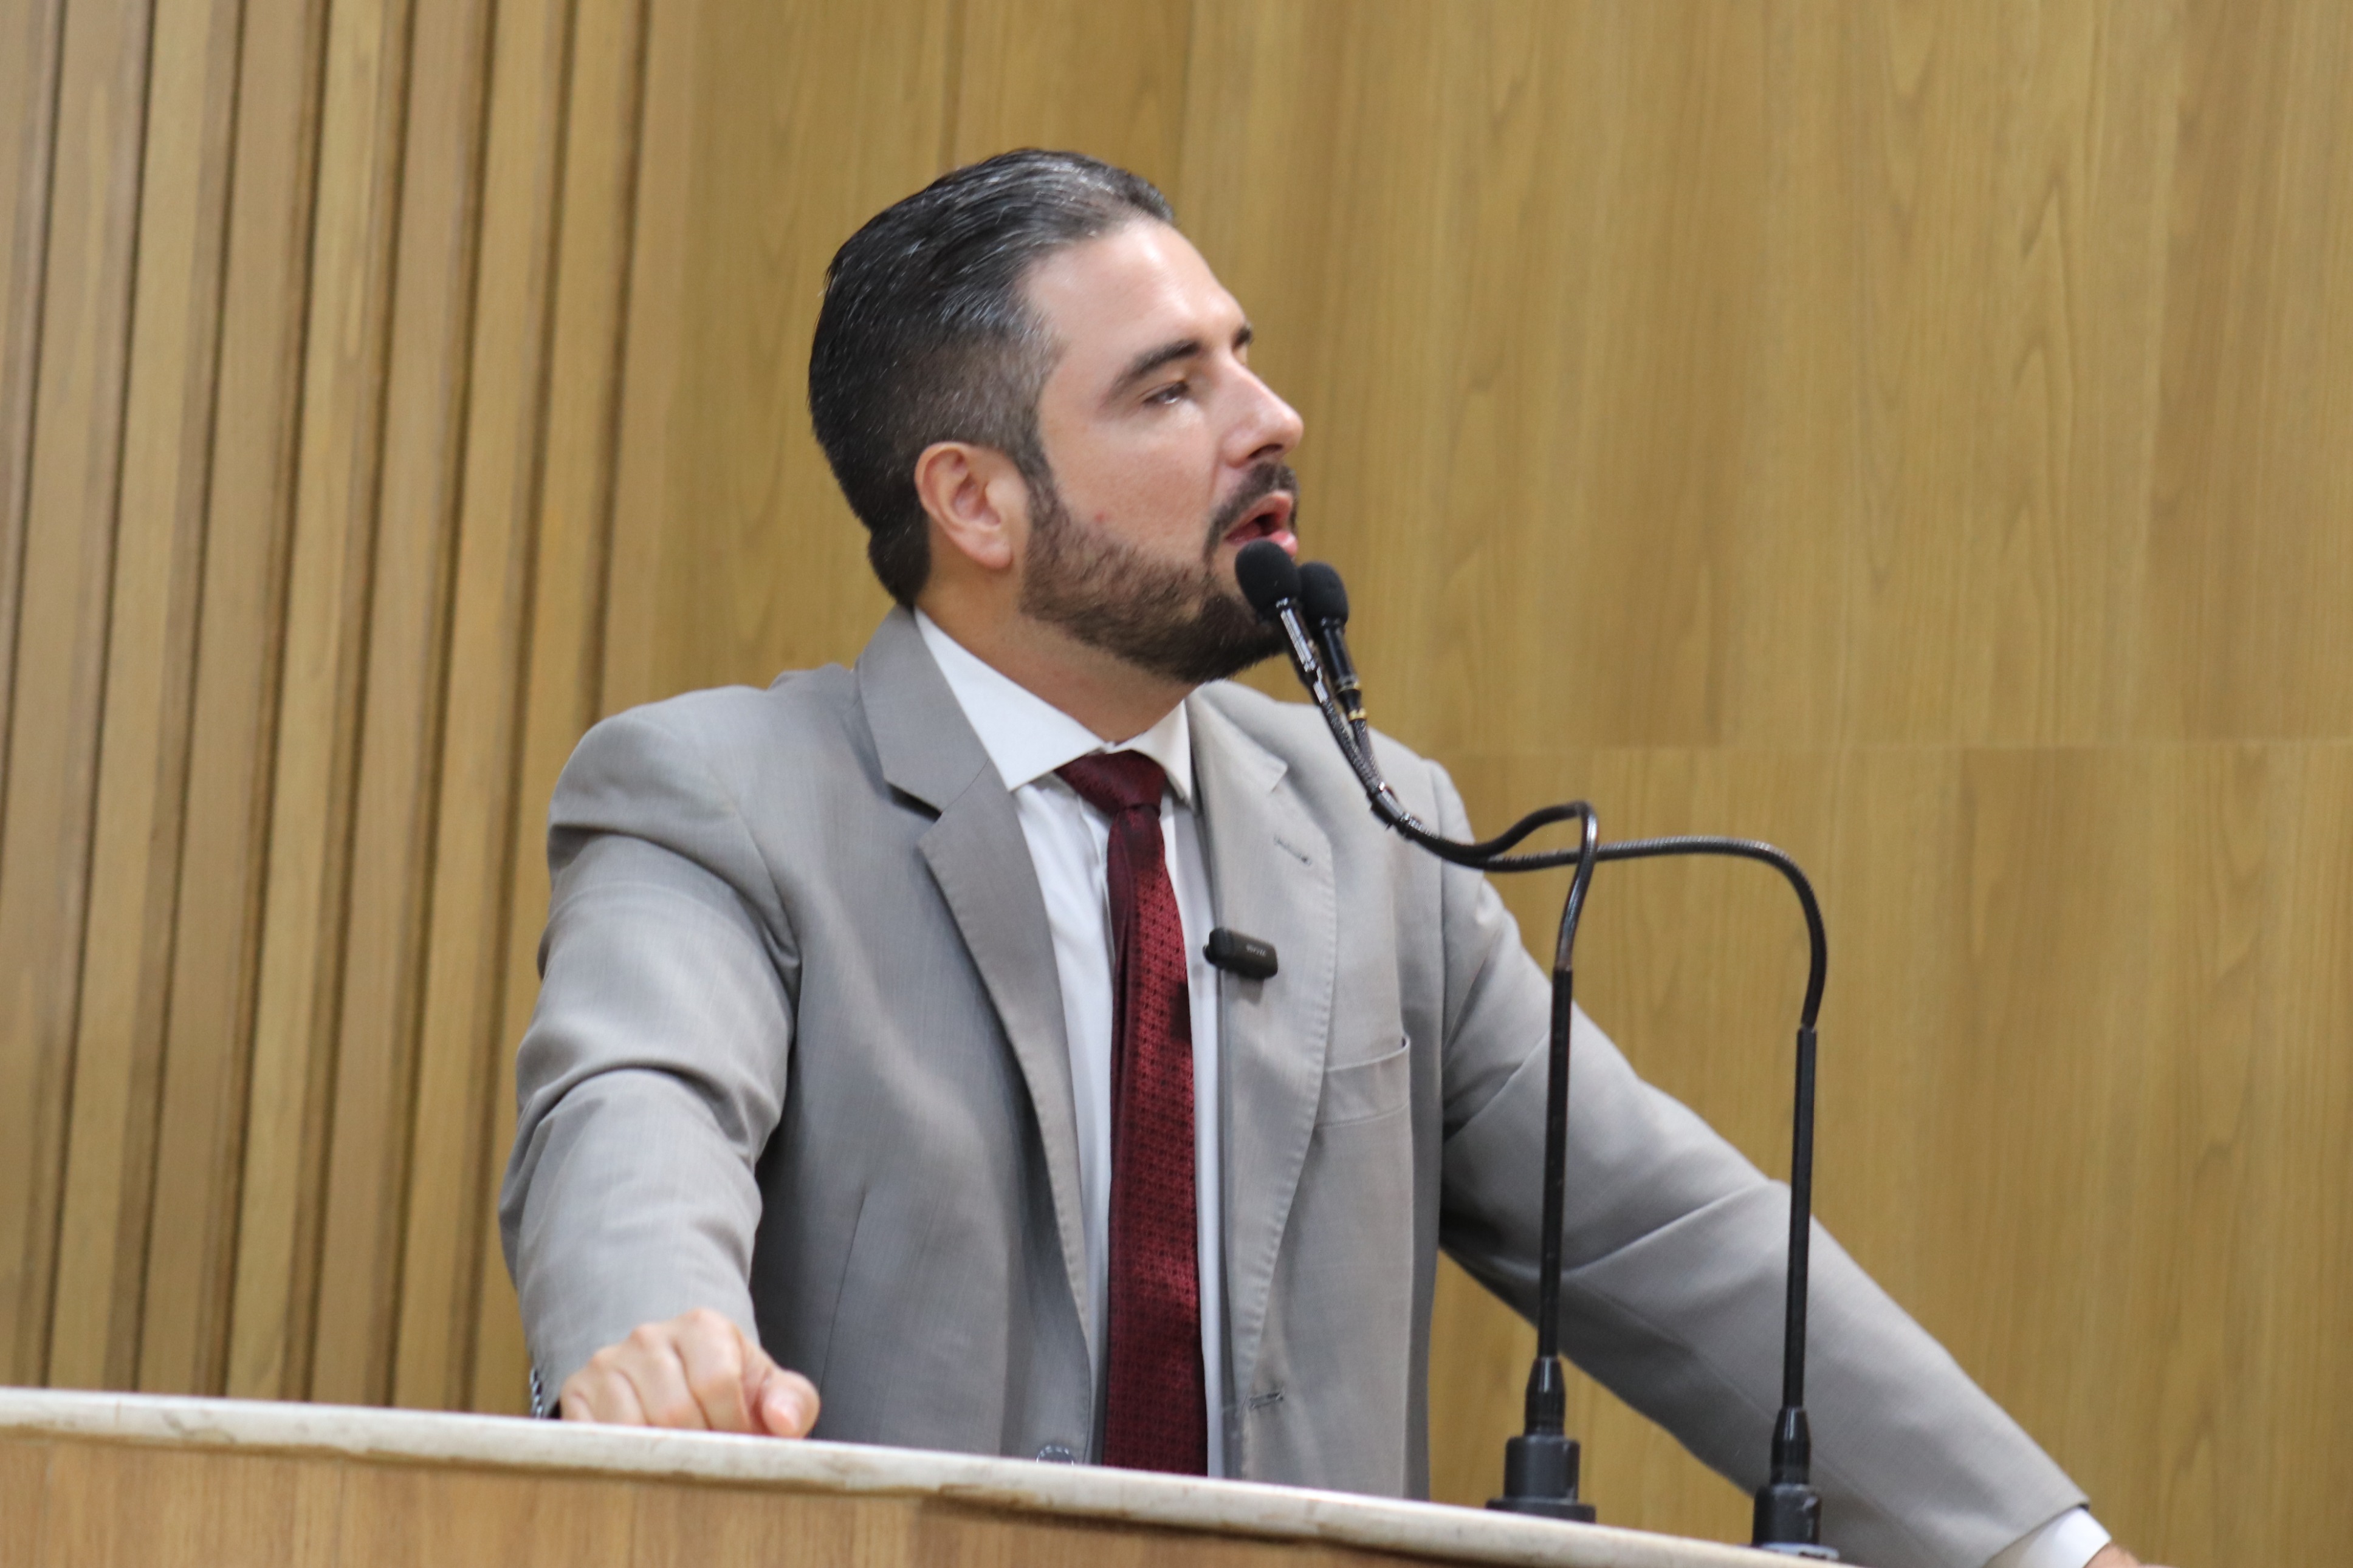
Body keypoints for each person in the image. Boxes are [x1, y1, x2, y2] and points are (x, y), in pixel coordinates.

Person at [499, 151, 2157, 1568]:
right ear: (976, 502)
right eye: (1171, 388)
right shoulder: (727, 796)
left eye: (1244, 357)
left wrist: (2043, 1554)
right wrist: (648, 1334)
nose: (1271, 418)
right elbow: (635, 1106)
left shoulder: (1370, 830)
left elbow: (1667, 1235)